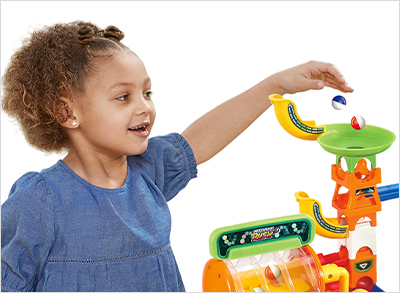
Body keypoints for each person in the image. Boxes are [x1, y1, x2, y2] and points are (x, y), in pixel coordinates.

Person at [1, 21, 353, 292]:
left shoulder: (147, 172)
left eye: (147, 92)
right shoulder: (41, 198)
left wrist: (274, 86)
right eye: (123, 97)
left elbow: (201, 137)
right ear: (66, 112)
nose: (145, 107)